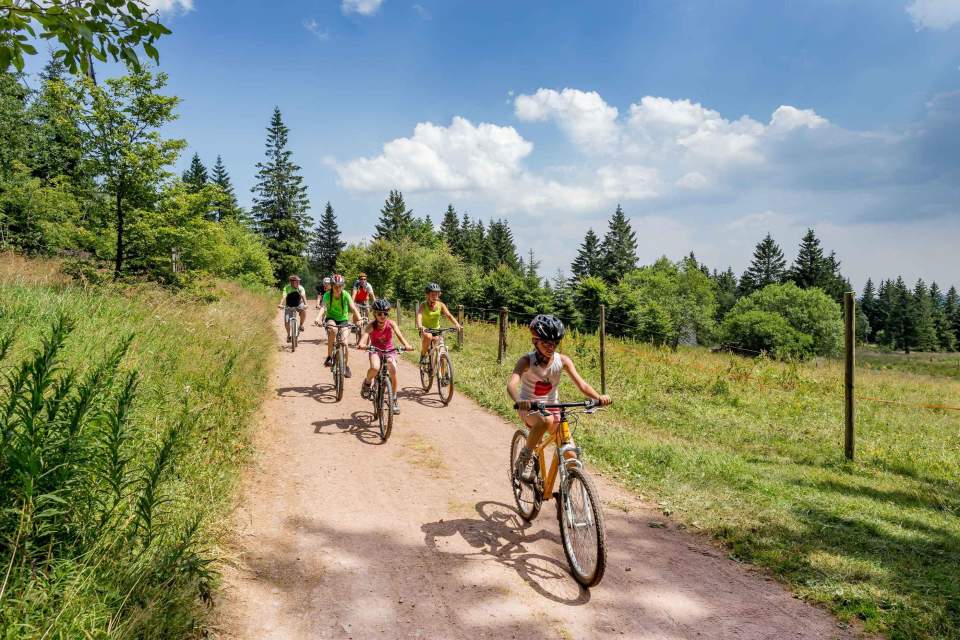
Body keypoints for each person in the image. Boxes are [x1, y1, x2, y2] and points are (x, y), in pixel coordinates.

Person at [506, 314, 612, 480]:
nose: (551, 347)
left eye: (555, 343)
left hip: (553, 408)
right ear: (535, 341)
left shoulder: (562, 361)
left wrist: (599, 397)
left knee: (571, 455)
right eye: (546, 342)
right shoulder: (526, 361)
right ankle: (525, 459)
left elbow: (582, 385)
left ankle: (567, 497)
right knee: (545, 420)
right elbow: (512, 384)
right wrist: (519, 401)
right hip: (530, 408)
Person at [359, 298, 412, 414]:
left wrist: (407, 345)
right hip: (375, 350)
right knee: (375, 367)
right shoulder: (371, 326)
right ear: (375, 314)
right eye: (379, 313)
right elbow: (364, 338)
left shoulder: (391, 324)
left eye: (385, 313)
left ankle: (393, 399)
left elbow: (400, 336)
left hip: (389, 350)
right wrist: (362, 344)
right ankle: (367, 383)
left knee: (392, 370)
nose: (382, 316)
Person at [318, 274, 362, 377]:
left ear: (343, 286)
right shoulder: (327, 295)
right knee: (332, 330)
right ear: (332, 286)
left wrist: (359, 318)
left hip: (343, 320)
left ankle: (345, 366)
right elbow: (323, 308)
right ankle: (329, 357)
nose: (338, 288)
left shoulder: (346, 294)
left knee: (345, 343)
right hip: (331, 318)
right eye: (336, 286)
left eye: (340, 286)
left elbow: (353, 308)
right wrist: (318, 318)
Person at [415, 282, 461, 366]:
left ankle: (442, 377)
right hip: (425, 329)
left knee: (441, 350)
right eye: (432, 294)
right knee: (428, 337)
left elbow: (449, 315)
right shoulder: (423, 305)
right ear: (427, 295)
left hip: (437, 329)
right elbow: (419, 316)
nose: (435, 296)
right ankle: (423, 356)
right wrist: (420, 326)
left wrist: (456, 324)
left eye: (436, 294)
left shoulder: (441, 305)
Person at [278, 275, 307, 342]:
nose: (298, 283)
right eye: (296, 282)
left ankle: (301, 325)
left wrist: (306, 304)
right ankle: (288, 335)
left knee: (303, 310)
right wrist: (280, 304)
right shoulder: (287, 288)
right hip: (289, 305)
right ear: (291, 282)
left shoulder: (300, 288)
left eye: (299, 282)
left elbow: (303, 296)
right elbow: (284, 297)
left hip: (299, 304)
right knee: (286, 321)